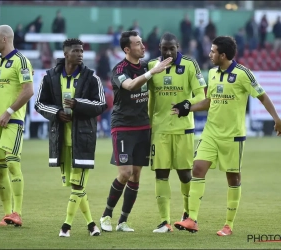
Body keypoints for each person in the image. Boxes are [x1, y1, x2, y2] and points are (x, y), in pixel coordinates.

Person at [172, 36, 281, 236]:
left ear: (223, 55)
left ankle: (228, 225)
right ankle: (191, 219)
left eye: (213, 51)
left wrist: (277, 119)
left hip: (233, 137)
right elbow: (209, 101)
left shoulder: (243, 74)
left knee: (233, 178)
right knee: (197, 168)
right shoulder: (213, 73)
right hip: (210, 133)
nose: (210, 54)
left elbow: (262, 96)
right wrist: (188, 107)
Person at [99, 30, 172, 232]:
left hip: (143, 126)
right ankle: (106, 215)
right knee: (125, 172)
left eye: (142, 42)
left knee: (136, 175)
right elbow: (130, 85)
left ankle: (123, 221)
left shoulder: (147, 66)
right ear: (127, 49)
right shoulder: (119, 69)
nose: (143, 46)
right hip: (123, 126)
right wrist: (151, 73)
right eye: (138, 44)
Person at [35, 38, 107, 237]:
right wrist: (58, 113)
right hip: (60, 141)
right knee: (76, 187)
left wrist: (77, 104)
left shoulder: (92, 77)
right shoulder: (50, 77)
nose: (81, 54)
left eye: (82, 51)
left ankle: (66, 227)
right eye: (76, 51)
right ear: (66, 54)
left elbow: (101, 104)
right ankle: (92, 225)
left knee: (78, 185)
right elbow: (39, 104)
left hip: (83, 139)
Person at [147, 32, 206, 233]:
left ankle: (188, 215)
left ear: (178, 47)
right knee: (161, 174)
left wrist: (187, 104)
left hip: (184, 129)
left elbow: (201, 94)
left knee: (184, 174)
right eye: (165, 48)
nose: (169, 51)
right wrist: (149, 124)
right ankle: (164, 221)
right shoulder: (152, 66)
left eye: (172, 48)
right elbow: (151, 99)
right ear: (160, 48)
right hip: (160, 130)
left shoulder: (190, 65)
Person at [0, 24, 34, 226]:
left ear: (4, 39)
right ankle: (7, 216)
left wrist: (8, 111)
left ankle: (18, 212)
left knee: (13, 162)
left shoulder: (21, 61)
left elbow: (28, 90)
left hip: (12, 120)